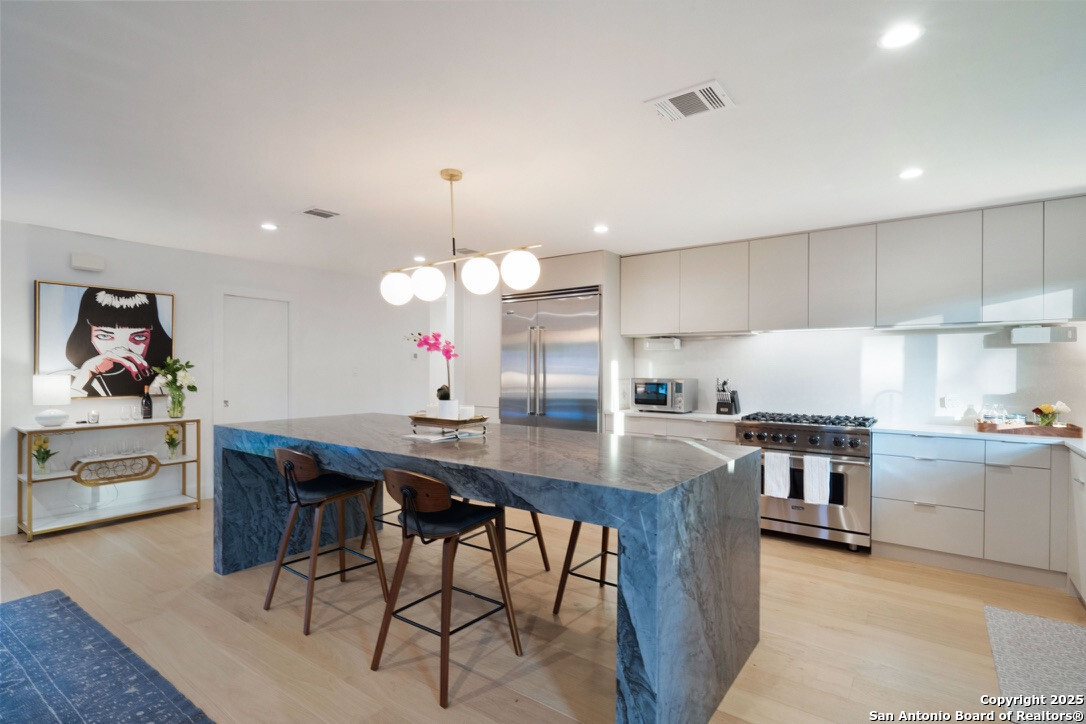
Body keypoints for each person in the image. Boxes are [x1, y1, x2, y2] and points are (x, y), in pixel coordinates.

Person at [66, 287, 172, 397]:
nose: (123, 349)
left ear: (152, 336)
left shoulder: (164, 380)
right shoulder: (71, 380)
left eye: (139, 337)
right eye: (105, 336)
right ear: (88, 335)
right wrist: (85, 376)